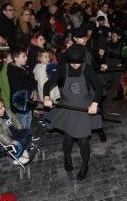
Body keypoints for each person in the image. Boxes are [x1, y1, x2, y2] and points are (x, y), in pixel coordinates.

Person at [43, 44, 102, 181]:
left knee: (83, 141)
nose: (75, 65)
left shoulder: (87, 69)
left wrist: (94, 103)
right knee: (68, 139)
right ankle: (67, 157)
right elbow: (47, 84)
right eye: (72, 63)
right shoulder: (63, 69)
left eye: (78, 62)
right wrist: (46, 96)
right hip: (67, 108)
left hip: (83, 108)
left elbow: (98, 88)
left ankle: (85, 164)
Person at [0, 98, 31, 163]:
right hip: (8, 137)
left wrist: (20, 128)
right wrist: (10, 141)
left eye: (3, 106)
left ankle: (23, 148)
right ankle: (17, 157)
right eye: (0, 108)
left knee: (27, 132)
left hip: (16, 132)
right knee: (19, 141)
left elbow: (15, 119)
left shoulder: (7, 111)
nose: (3, 108)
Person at [7, 47, 37, 131]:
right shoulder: (13, 72)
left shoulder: (25, 68)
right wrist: (30, 92)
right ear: (16, 58)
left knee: (29, 119)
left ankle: (28, 136)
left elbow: (32, 80)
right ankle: (23, 139)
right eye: (24, 56)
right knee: (22, 123)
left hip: (28, 100)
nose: (26, 58)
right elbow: (18, 88)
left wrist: (34, 90)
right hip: (20, 103)